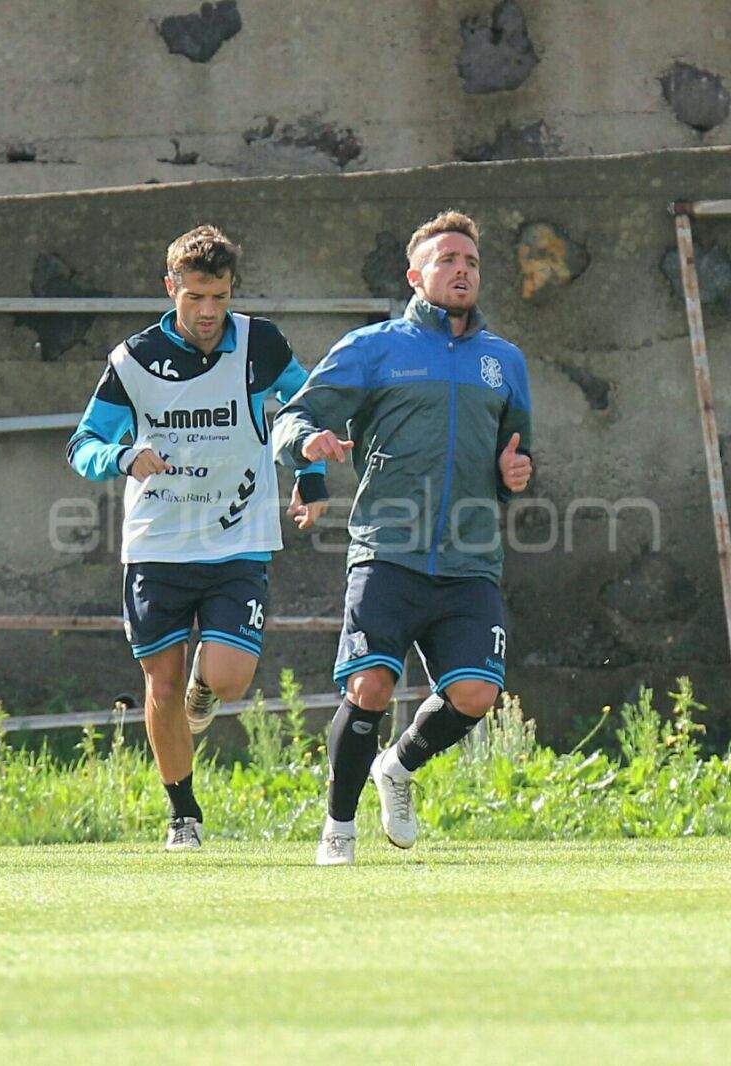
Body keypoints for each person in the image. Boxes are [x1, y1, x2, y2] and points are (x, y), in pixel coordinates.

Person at [272, 210, 533, 866]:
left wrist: (514, 473)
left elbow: (519, 456)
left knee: (476, 694)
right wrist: (308, 443)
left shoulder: (504, 362)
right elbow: (293, 415)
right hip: (388, 549)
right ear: (416, 275)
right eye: (446, 259)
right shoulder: (375, 348)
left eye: (470, 261)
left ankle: (399, 766)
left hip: (470, 556)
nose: (461, 270)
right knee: (371, 688)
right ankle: (339, 827)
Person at [67, 225, 327, 851]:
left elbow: (303, 405)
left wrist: (310, 476)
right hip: (158, 545)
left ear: (232, 291)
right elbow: (82, 445)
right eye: (195, 298)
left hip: (238, 539)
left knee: (230, 678)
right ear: (171, 288)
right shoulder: (131, 360)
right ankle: (183, 815)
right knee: (160, 686)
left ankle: (205, 692)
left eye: (219, 297)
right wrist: (125, 457)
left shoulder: (260, 343)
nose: (208, 313)